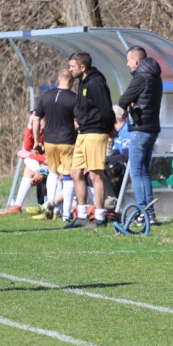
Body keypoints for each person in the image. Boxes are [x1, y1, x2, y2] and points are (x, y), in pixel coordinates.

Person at [64, 52, 115, 229]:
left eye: (72, 66)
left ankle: (100, 217)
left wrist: (110, 131)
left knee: (94, 174)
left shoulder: (96, 82)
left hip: (96, 132)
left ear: (82, 67)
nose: (70, 70)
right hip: (83, 133)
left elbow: (106, 110)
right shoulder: (83, 82)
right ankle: (82, 216)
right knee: (75, 173)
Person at [118, 46, 163, 224]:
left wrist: (129, 104)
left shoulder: (141, 77)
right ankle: (149, 213)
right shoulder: (155, 76)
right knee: (144, 172)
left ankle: (142, 212)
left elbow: (122, 100)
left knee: (136, 172)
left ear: (136, 61)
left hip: (140, 130)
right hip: (152, 128)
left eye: (128, 60)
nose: (127, 64)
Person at [32, 69, 78, 223]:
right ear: (72, 81)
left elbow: (36, 119)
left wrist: (36, 140)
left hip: (49, 140)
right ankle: (66, 214)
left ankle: (50, 203)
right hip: (67, 141)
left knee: (52, 172)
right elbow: (78, 122)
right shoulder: (74, 98)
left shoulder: (47, 96)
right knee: (68, 176)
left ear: (59, 79)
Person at [0, 112, 49, 216]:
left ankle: (18, 205)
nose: (36, 123)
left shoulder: (51, 132)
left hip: (56, 166)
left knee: (28, 159)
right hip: (45, 166)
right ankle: (17, 206)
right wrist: (30, 127)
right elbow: (27, 147)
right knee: (28, 166)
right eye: (32, 121)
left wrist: (29, 155)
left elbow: (48, 159)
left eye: (37, 121)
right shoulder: (37, 132)